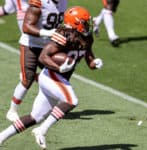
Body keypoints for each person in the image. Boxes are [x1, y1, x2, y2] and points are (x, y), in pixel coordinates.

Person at [0, 6, 103, 149]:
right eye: (84, 22)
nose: (87, 25)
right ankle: (41, 131)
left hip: (59, 79)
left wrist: (94, 63)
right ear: (76, 23)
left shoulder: (87, 37)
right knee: (72, 100)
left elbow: (88, 56)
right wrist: (59, 67)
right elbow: (43, 57)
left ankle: (1, 137)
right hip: (51, 76)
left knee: (35, 117)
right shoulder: (64, 35)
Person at [6, 0, 68, 122]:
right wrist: (47, 33)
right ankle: (12, 110)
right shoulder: (39, 2)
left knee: (56, 76)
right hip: (31, 45)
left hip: (49, 46)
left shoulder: (63, 2)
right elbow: (26, 27)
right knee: (27, 80)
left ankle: (45, 108)